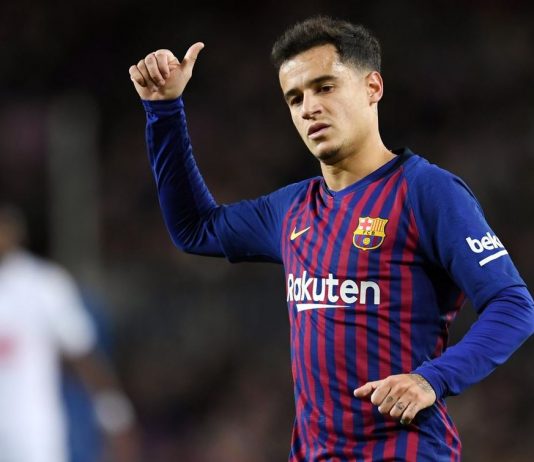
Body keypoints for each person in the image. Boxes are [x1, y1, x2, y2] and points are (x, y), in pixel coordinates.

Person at [129, 16, 534, 461]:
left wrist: (431, 379)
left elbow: (513, 304)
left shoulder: (427, 192)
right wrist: (163, 110)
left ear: (372, 87)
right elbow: (194, 228)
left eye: (324, 87)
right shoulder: (292, 209)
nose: (309, 108)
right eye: (295, 98)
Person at [0, 205, 139, 462]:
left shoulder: (42, 285)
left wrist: (116, 418)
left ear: (15, 233)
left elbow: (83, 357)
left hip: (30, 435)